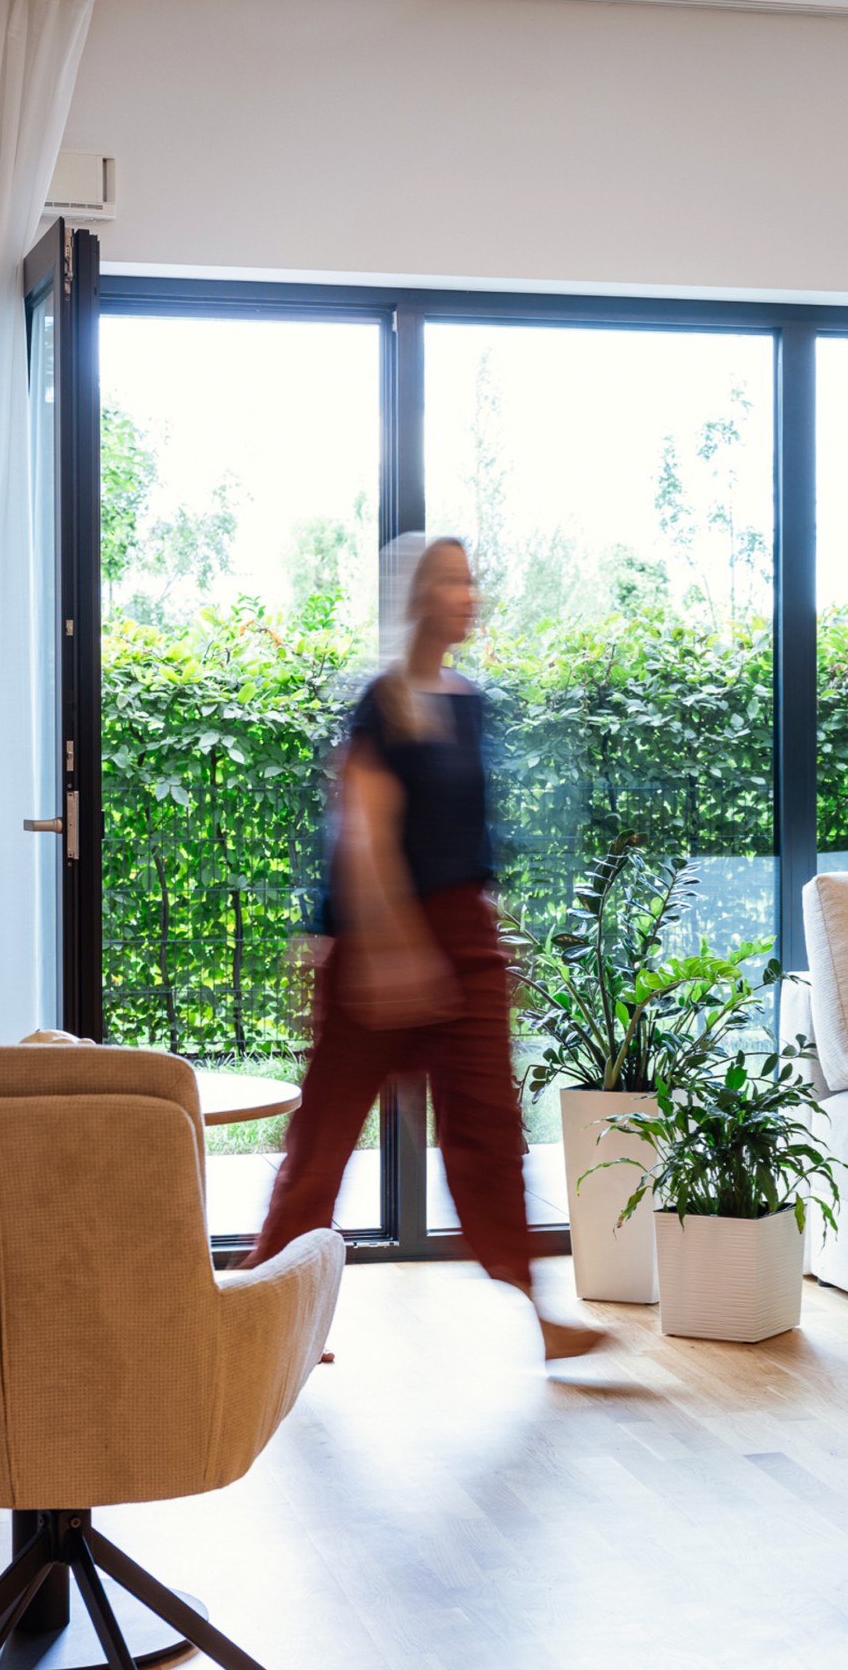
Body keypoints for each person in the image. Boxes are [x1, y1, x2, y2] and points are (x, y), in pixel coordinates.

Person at [243, 535, 604, 1363]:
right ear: (416, 598)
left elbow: (464, 833)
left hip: (465, 946)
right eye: (451, 581)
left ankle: (535, 1303)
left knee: (490, 1129)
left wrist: (490, 924)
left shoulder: (469, 700)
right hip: (380, 944)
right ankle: (261, 1325)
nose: (469, 594)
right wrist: (393, 950)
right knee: (325, 1140)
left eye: (472, 578)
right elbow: (361, 836)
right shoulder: (384, 701)